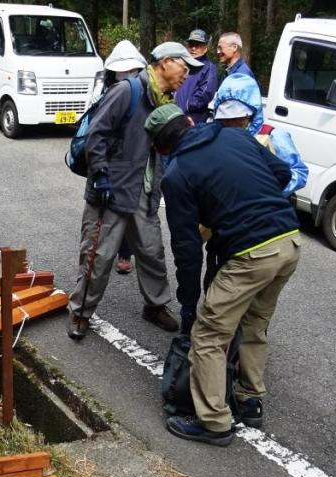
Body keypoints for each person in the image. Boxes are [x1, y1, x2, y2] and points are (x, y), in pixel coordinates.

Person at [148, 102, 301, 444]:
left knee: (209, 335)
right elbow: (282, 174)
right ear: (190, 121)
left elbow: (187, 250)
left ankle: (214, 422)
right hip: (289, 242)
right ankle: (250, 400)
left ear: (160, 148)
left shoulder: (178, 174)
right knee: (254, 323)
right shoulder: (236, 137)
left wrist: (189, 304)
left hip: (251, 254)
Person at [67, 42, 199, 340]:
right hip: (111, 190)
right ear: (165, 62)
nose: (187, 74)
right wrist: (100, 174)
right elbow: (96, 134)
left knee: (152, 251)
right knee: (97, 255)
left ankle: (155, 305)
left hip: (146, 189)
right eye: (184, 67)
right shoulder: (128, 91)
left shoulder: (166, 100)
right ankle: (80, 312)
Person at [98, 40, 148, 276]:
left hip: (131, 164)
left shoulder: (142, 89)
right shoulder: (108, 88)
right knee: (111, 214)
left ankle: (124, 254)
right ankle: (109, 258)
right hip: (110, 164)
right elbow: (96, 132)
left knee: (127, 213)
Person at [213, 73, 307, 198]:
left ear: (252, 113)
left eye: (239, 116)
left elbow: (300, 173)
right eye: (226, 117)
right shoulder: (217, 135)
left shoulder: (275, 136)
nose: (232, 122)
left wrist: (269, 187)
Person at [175, 29, 219, 124]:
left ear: (205, 48)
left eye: (197, 45)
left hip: (194, 119)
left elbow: (206, 93)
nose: (193, 48)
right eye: (191, 44)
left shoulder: (209, 67)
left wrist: (186, 106)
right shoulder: (183, 64)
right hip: (175, 116)